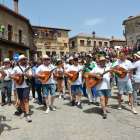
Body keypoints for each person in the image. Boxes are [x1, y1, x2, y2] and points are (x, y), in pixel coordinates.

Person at [9, 55, 33, 122]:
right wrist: (15, 78)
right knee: (21, 100)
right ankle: (23, 112)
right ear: (20, 60)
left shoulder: (28, 67)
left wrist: (27, 75)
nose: (25, 60)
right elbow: (10, 75)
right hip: (19, 86)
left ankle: (27, 114)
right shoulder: (16, 68)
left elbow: (31, 76)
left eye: (25, 59)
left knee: (26, 100)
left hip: (26, 86)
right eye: (24, 59)